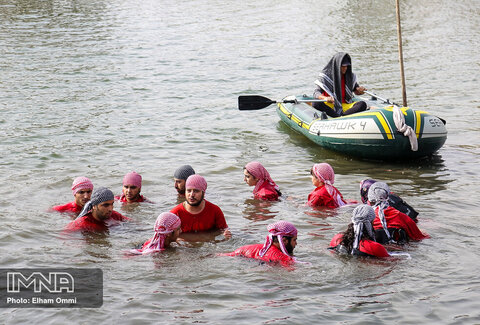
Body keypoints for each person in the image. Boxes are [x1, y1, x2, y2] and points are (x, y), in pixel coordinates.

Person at [312, 52, 367, 117]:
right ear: (337, 66)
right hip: (329, 105)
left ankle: (341, 116)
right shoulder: (326, 77)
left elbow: (356, 90)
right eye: (343, 66)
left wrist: (360, 90)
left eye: (346, 66)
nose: (345, 68)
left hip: (344, 105)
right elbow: (316, 93)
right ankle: (338, 116)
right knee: (316, 103)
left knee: (362, 104)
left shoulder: (349, 77)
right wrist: (326, 98)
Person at [220, 221, 297, 266]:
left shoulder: (254, 248)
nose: (296, 243)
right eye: (294, 240)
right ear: (284, 241)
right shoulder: (281, 257)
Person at [64, 187, 129, 233]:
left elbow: (134, 225)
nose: (110, 209)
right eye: (105, 205)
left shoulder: (114, 215)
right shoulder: (81, 224)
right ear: (94, 206)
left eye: (112, 204)